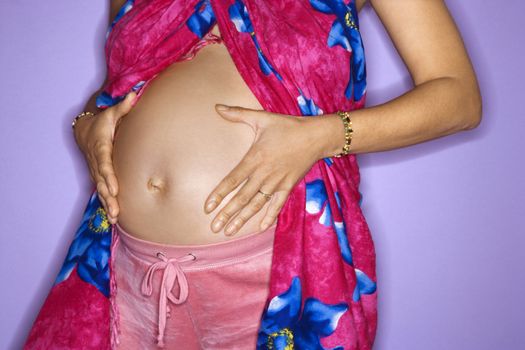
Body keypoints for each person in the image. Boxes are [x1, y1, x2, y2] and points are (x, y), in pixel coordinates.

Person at [25, 0, 482, 349]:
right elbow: (121, 88)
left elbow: (458, 97)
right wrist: (87, 122)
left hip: (268, 276)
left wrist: (322, 135)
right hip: (126, 273)